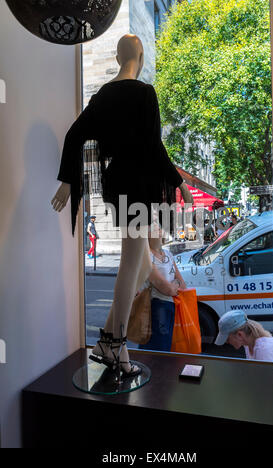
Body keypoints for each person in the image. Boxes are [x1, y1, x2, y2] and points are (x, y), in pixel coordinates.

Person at [51, 34, 193, 378]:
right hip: (138, 185)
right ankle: (114, 342)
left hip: (117, 183)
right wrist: (179, 183)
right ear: (139, 55)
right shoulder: (144, 93)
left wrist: (69, 181)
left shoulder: (102, 96)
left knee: (140, 266)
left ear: (117, 57)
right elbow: (153, 146)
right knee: (132, 264)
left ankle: (111, 346)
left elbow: (74, 135)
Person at [138, 223, 187, 352]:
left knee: (167, 347)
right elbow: (167, 289)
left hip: (171, 305)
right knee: (157, 349)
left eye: (160, 228)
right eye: (154, 229)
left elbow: (182, 284)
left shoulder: (168, 254)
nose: (159, 231)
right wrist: (173, 286)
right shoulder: (146, 256)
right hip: (155, 308)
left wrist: (173, 286)